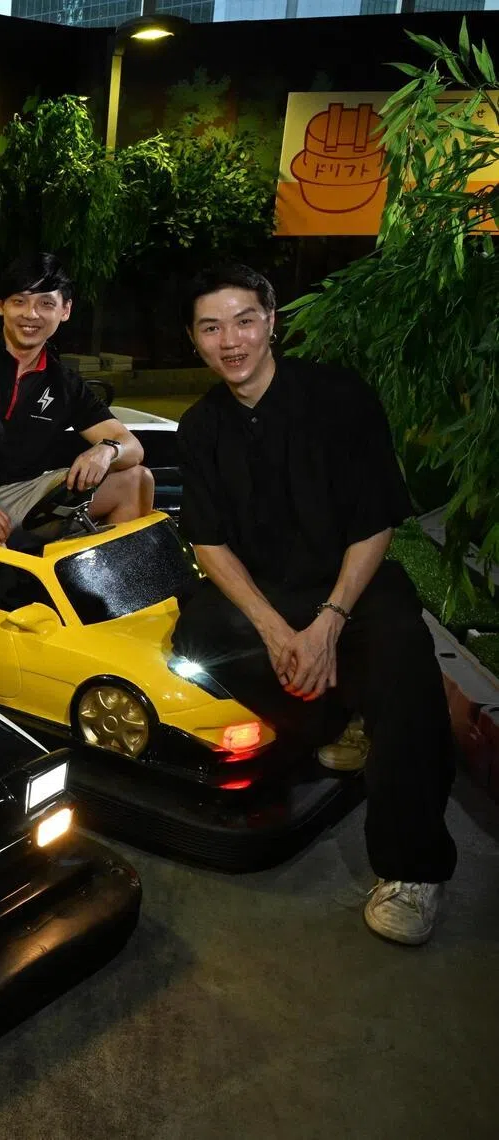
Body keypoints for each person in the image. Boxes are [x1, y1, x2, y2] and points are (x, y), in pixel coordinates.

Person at [171, 263, 457, 945]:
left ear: (272, 322)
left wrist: (328, 621)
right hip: (269, 591)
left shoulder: (339, 397)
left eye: (244, 320)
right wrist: (275, 631)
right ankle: (336, 724)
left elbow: (376, 522)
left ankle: (414, 870)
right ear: (194, 340)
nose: (230, 341)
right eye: (211, 328)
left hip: (353, 582)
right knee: (198, 637)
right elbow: (208, 543)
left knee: (405, 667)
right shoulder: (200, 426)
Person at [0, 253, 153, 544]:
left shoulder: (64, 382)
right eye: (19, 301)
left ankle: (109, 583)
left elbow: (132, 447)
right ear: (1, 306)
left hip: (23, 495)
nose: (31, 314)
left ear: (65, 310)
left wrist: (106, 450)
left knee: (138, 479)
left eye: (46, 303)